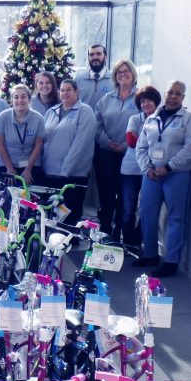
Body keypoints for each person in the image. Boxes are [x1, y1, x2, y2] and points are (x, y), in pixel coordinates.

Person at [135, 81, 191, 278]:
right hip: (151, 175)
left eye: (178, 94)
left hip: (177, 175)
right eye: (170, 92)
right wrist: (147, 168)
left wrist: (169, 166)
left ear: (183, 98)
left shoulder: (190, 119)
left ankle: (171, 261)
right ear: (165, 94)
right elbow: (140, 147)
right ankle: (150, 254)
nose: (173, 96)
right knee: (147, 213)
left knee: (175, 216)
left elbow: (190, 148)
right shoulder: (152, 119)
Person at [93, 59, 139, 239]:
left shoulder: (140, 97)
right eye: (119, 72)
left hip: (131, 155)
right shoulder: (106, 99)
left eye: (126, 71)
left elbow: (145, 125)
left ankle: (121, 232)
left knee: (126, 196)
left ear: (133, 74)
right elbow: (96, 125)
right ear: (115, 76)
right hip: (106, 153)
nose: (122, 74)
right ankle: (105, 231)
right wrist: (108, 142)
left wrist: (126, 145)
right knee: (107, 193)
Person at [41, 78, 96, 224]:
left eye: (69, 90)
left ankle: (69, 244)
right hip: (49, 173)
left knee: (69, 214)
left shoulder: (85, 112)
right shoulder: (51, 112)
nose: (65, 93)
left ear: (77, 92)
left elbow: (80, 145)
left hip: (72, 175)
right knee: (51, 214)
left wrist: (65, 171)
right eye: (62, 90)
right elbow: (42, 140)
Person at [120, 85, 160, 251]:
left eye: (149, 100)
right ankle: (128, 243)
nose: (146, 104)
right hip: (130, 170)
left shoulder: (162, 119)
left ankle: (138, 241)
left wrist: (145, 143)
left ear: (156, 101)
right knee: (128, 209)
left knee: (145, 209)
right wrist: (154, 144)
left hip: (150, 170)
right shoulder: (135, 119)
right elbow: (130, 140)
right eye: (142, 102)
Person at [0, 83, 45, 185]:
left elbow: (38, 146)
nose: (19, 100)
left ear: (29, 99)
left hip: (30, 164)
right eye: (16, 97)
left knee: (30, 197)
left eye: (23, 97)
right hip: (6, 163)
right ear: (12, 100)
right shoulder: (2, 117)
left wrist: (28, 169)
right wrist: (9, 168)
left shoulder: (38, 119)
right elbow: (0, 144)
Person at [74, 44, 112, 111]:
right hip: (83, 120)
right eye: (91, 55)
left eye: (98, 54)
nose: (95, 57)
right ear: (88, 58)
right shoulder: (78, 80)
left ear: (105, 57)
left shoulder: (115, 80)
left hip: (106, 121)